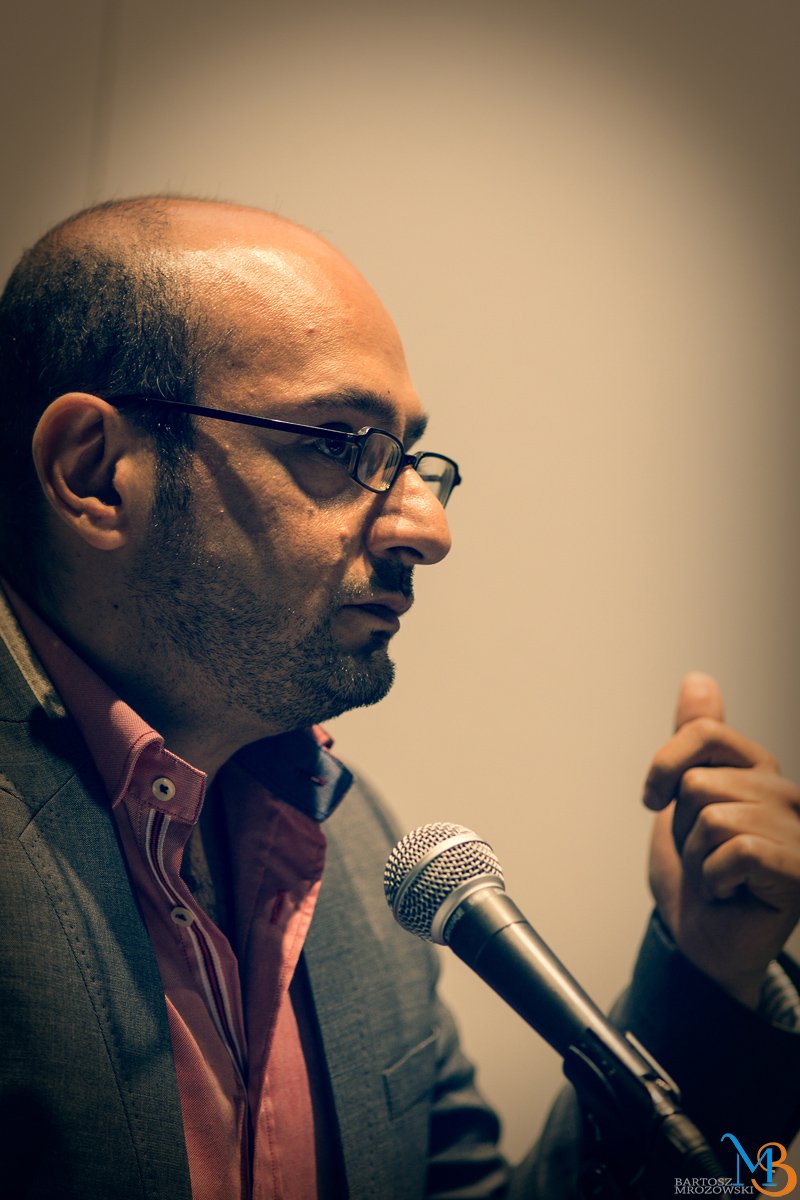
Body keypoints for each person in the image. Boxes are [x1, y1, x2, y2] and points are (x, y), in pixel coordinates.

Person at [0, 196, 798, 1200]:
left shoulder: (354, 846)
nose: (427, 528)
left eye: (412, 457)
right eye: (338, 444)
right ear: (95, 472)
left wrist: (707, 971)